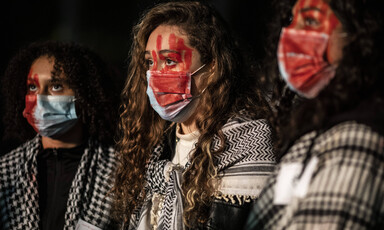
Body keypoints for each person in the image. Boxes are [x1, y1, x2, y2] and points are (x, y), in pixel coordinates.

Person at [111, 1, 275, 229]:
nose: (155, 74)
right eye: (150, 62)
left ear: (213, 68)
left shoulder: (247, 146)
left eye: (170, 61)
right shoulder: (154, 147)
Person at [245, 0, 384, 229]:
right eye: (290, 21)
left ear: (358, 35)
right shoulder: (318, 128)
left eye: (310, 21)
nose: (291, 34)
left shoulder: (358, 138)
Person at [0, 41, 120, 229]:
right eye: (32, 88)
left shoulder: (119, 171)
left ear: (85, 96)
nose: (40, 98)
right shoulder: (6, 171)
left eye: (56, 86)